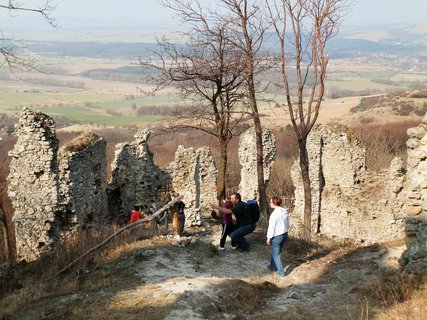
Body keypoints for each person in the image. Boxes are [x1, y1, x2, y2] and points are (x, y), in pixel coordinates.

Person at [266, 196, 290, 277]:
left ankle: (281, 272)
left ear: (274, 203)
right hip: (284, 234)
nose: (270, 203)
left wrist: (269, 237)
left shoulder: (274, 214)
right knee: (275, 252)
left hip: (277, 236)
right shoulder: (284, 211)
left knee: (276, 254)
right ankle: (272, 267)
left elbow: (271, 227)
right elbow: (288, 224)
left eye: (270, 202)